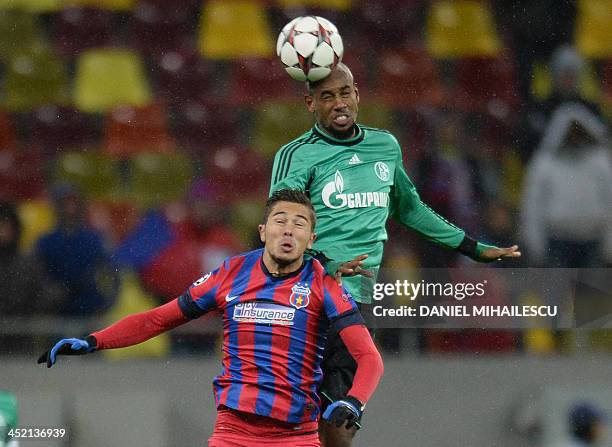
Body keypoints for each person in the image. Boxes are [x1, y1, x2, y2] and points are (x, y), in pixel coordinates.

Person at [269, 62, 520, 447]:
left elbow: (410, 208)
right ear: (310, 103)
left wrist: (472, 247)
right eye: (327, 97)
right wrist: (326, 264)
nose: (339, 104)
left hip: (356, 305)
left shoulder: (384, 146)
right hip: (304, 301)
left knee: (339, 424)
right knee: (290, 423)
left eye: (345, 93)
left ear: (357, 95)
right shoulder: (297, 155)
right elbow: (279, 229)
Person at [38, 189, 384, 447]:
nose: (289, 230)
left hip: (295, 435)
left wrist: (354, 401)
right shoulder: (231, 273)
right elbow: (158, 319)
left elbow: (369, 358)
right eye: (281, 221)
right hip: (232, 432)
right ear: (264, 231)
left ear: (312, 239)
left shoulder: (326, 286)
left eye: (299, 224)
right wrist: (94, 341)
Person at [521, 103, 612, 267]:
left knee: (590, 292)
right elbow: (533, 203)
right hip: (558, 241)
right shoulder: (545, 162)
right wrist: (535, 241)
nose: (575, 137)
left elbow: (609, 199)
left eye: (578, 132)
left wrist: (609, 242)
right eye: (571, 133)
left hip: (593, 240)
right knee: (559, 291)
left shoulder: (599, 161)